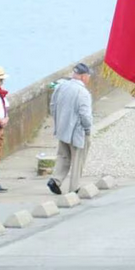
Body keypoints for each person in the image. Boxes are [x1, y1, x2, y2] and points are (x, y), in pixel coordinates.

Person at [47, 63, 94, 195]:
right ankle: (74, 187)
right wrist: (88, 130)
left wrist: (58, 121)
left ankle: (55, 180)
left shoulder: (61, 86)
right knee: (77, 159)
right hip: (76, 131)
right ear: (84, 77)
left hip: (62, 128)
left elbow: (52, 106)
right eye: (88, 76)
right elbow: (85, 115)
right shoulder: (83, 93)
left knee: (63, 156)